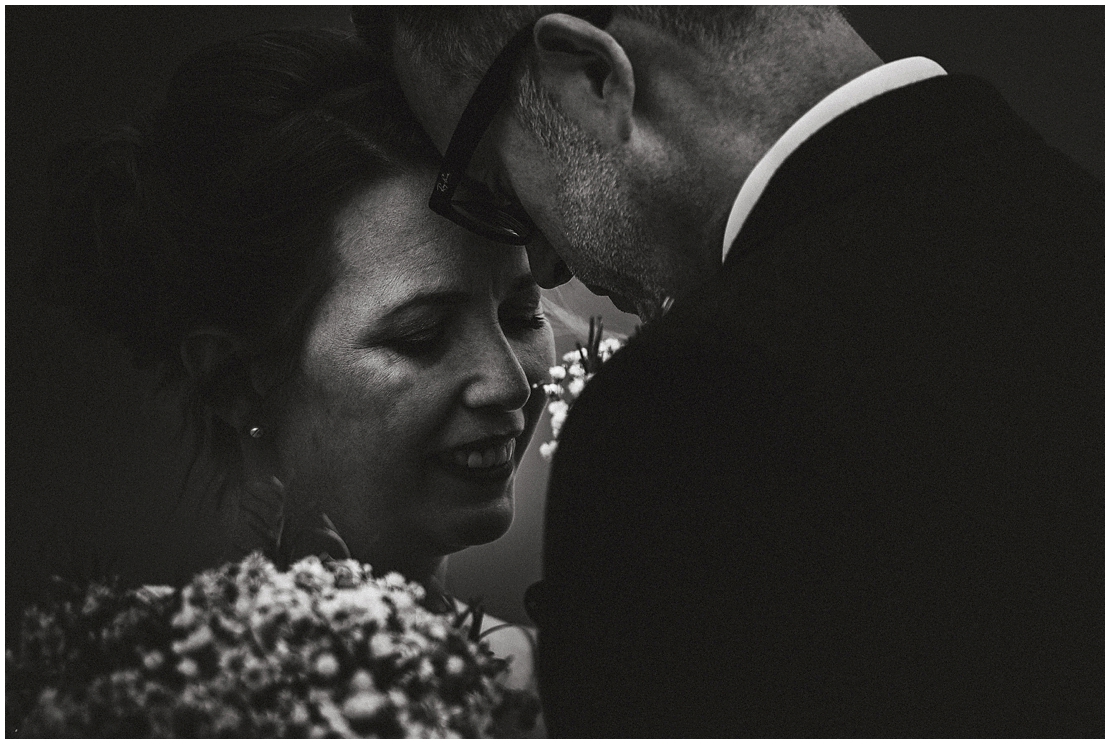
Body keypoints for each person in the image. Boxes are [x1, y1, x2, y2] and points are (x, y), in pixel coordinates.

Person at [356, 6, 1103, 737]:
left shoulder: (700, 405)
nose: (546, 265)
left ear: (592, 75)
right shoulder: (1080, 230)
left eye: (500, 189)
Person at [35, 27, 554, 694]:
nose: (509, 382)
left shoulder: (553, 687)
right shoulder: (155, 692)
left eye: (521, 314)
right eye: (421, 335)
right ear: (241, 381)